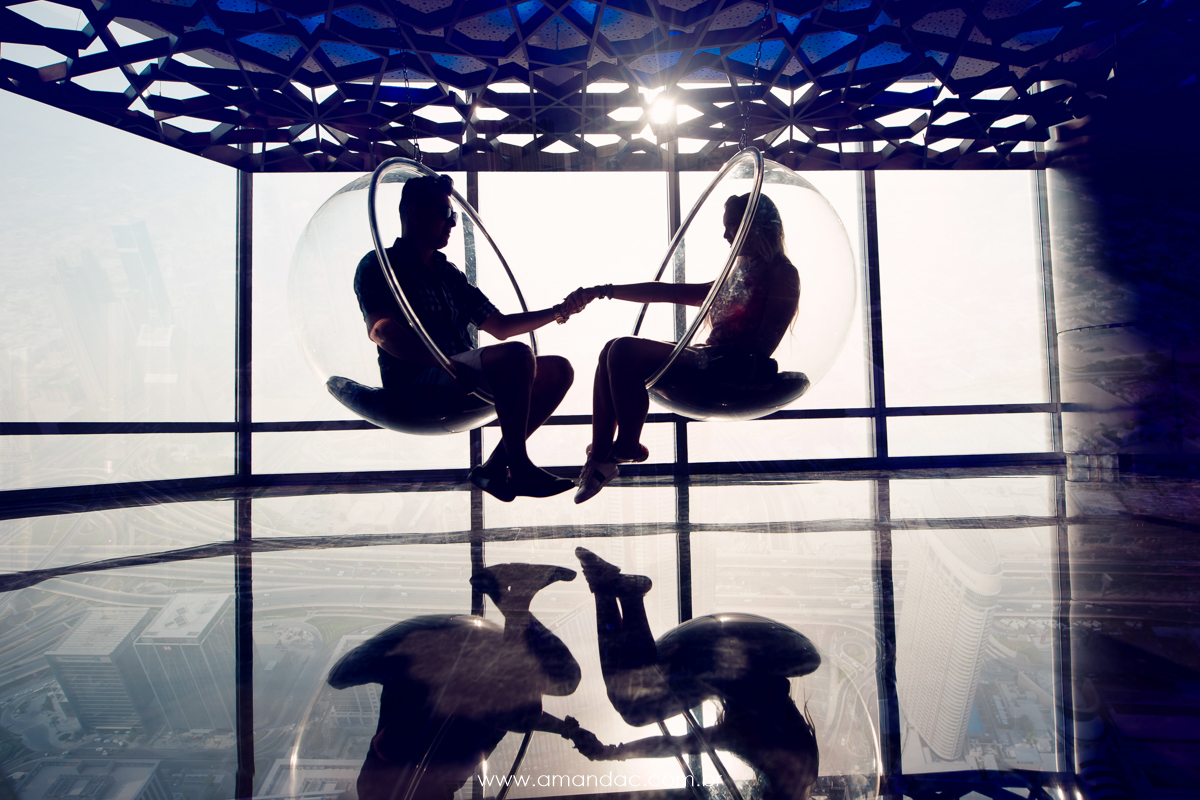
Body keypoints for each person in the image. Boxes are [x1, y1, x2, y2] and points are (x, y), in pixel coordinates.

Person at [561, 193, 799, 503]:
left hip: (731, 366)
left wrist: (707, 357)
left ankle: (627, 445)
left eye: (731, 225)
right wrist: (603, 291)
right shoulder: (738, 273)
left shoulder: (782, 274)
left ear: (755, 224)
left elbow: (764, 345)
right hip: (710, 357)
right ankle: (600, 459)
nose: (725, 235)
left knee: (623, 350)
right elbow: (667, 292)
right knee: (610, 349)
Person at [355, 174, 576, 500]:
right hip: (418, 379)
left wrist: (558, 311)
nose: (452, 224)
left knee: (558, 370)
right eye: (445, 214)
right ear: (414, 213)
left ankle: (494, 469)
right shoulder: (380, 264)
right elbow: (382, 331)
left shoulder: (449, 274)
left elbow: (499, 326)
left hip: (461, 374)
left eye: (454, 217)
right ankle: (519, 468)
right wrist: (444, 364)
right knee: (517, 356)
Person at [568, 548, 820, 800]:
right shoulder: (771, 755)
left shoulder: (791, 762)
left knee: (631, 693)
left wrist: (614, 752)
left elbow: (679, 744)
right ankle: (619, 593)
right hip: (719, 654)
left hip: (722, 652)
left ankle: (608, 586)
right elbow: (676, 745)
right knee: (634, 709)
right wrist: (612, 753)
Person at [329, 563, 593, 800]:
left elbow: (501, 713)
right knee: (557, 685)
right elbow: (491, 714)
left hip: (447, 652)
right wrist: (565, 730)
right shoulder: (432, 769)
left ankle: (516, 599)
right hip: (452, 651)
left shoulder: (405, 780)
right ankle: (507, 596)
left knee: (556, 686)